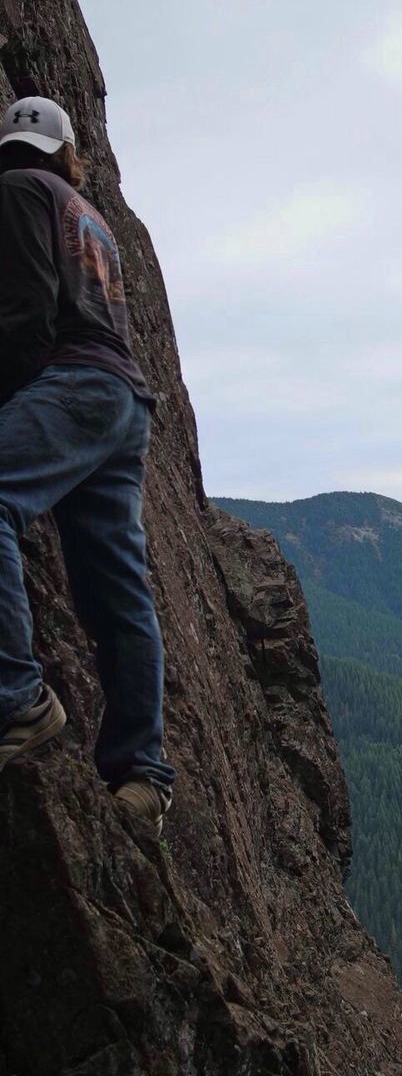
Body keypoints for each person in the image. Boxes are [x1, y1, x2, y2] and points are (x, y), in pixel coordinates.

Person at [0, 96, 175, 835]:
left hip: (70, 384)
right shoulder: (89, 215)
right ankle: (142, 776)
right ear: (68, 150)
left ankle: (19, 701)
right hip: (124, 402)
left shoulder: (13, 190)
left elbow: (27, 309)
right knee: (116, 591)